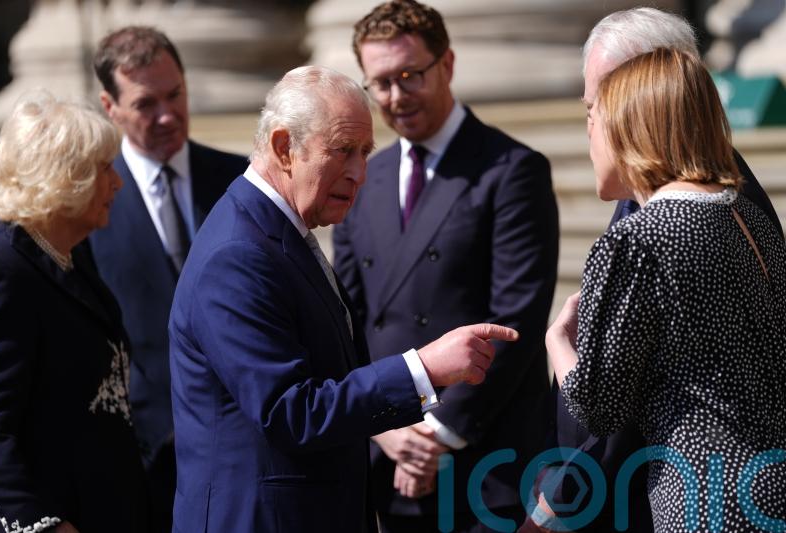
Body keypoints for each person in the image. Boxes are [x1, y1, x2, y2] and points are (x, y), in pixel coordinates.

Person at [168, 65, 519, 533]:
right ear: (282, 148)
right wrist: (423, 369)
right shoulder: (238, 254)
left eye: (365, 153)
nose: (358, 173)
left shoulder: (279, 230)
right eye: (342, 151)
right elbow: (288, 412)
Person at [521, 8, 784, 533]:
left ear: (631, 121)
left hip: (702, 501)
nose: (589, 129)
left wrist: (557, 342)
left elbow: (598, 407)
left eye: (595, 113)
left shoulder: (640, 237)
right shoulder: (744, 213)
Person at [333, 1, 559, 530]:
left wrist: (438, 435)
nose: (395, 97)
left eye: (410, 75)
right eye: (380, 83)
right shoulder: (364, 177)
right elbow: (346, 316)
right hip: (388, 463)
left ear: (448, 65)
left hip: (484, 469)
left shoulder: (511, 170)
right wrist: (383, 429)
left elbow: (516, 320)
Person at [87, 26, 248, 531]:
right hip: (138, 461)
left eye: (175, 95)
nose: (166, 115)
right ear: (109, 107)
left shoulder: (241, 181)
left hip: (241, 450)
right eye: (145, 103)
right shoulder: (88, 202)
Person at [0, 93, 148, 532]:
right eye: (104, 170)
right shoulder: (4, 269)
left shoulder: (70, 256)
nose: (117, 183)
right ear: (64, 178)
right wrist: (44, 525)